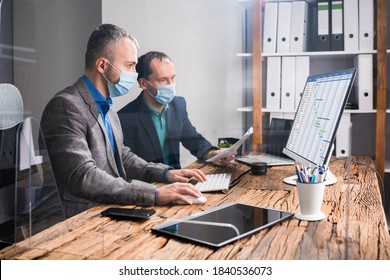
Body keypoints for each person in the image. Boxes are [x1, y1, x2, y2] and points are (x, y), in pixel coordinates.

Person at [40, 24, 206, 218]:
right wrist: (154, 193)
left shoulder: (107, 106)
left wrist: (164, 173)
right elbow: (83, 176)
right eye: (129, 66)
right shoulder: (66, 105)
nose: (135, 74)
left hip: (108, 210)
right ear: (102, 65)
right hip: (79, 219)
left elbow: (122, 156)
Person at [117, 51, 233, 169]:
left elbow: (192, 139)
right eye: (162, 80)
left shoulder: (178, 105)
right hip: (149, 185)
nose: (170, 85)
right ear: (143, 83)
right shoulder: (125, 118)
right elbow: (129, 164)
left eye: (172, 78)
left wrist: (211, 153)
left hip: (178, 180)